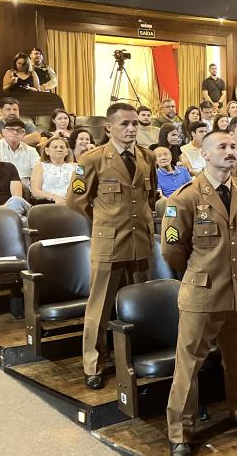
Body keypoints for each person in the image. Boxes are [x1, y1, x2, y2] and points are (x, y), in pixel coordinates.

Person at [161, 130, 237, 453]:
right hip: (203, 293)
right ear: (204, 155)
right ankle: (180, 433)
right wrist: (201, 272)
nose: (230, 150)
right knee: (188, 366)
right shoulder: (185, 197)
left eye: (231, 146)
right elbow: (172, 252)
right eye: (221, 146)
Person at [68, 103, 157, 390]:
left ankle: (140, 355)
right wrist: (104, 221)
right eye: (124, 124)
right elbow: (76, 201)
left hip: (140, 241)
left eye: (135, 124)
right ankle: (93, 364)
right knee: (100, 307)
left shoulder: (147, 157)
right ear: (109, 128)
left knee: (142, 303)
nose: (131, 129)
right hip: (110, 242)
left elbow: (149, 198)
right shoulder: (93, 159)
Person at [0, 117, 40, 189]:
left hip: (27, 190)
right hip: (1, 188)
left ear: (23, 134)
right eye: (11, 129)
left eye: (19, 130)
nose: (15, 132)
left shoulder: (31, 151)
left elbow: (39, 171)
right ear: (3, 132)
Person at [0, 142, 31, 215]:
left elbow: (17, 197)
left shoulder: (8, 167)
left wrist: (7, 207)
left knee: (16, 201)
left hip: (11, 209)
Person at [30, 136, 76, 204]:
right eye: (55, 147)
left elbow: (81, 187)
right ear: (47, 151)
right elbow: (36, 192)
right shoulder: (39, 166)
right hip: (47, 202)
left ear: (67, 151)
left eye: (62, 147)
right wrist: (55, 197)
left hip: (72, 202)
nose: (59, 149)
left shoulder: (77, 167)